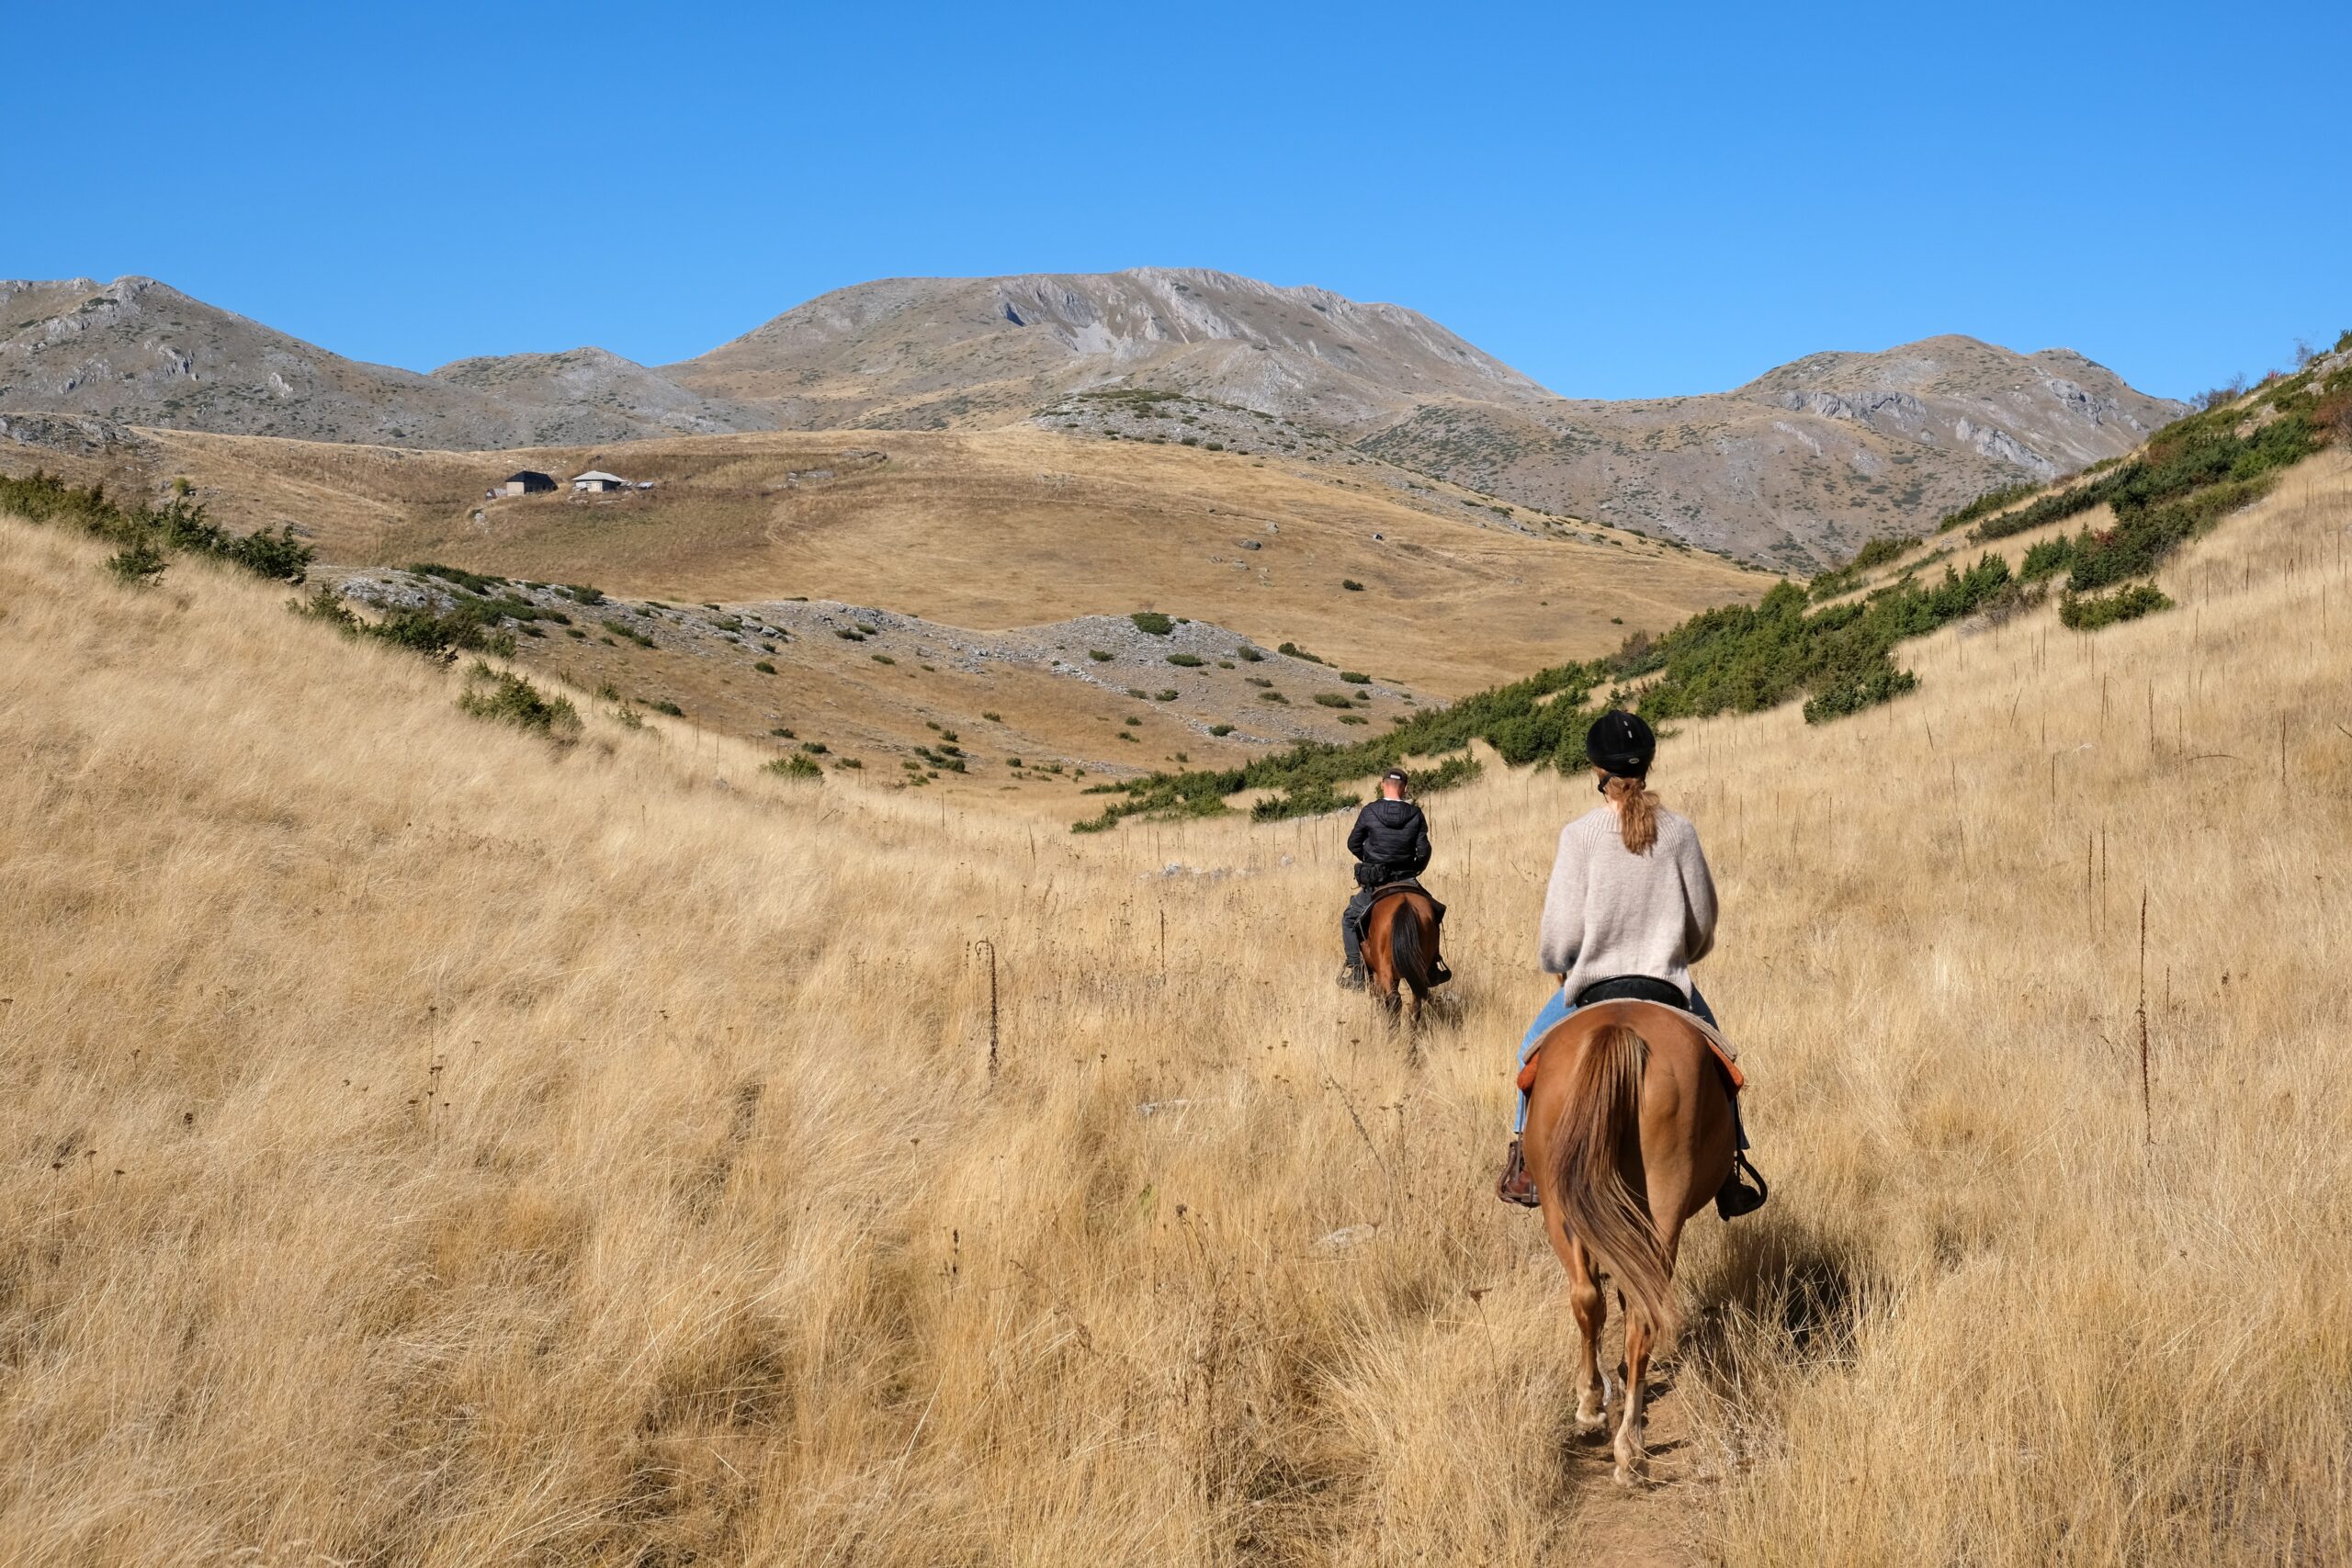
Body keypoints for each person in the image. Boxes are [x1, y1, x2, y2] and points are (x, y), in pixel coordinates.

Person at [1496, 710, 1765, 1215]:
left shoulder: (1579, 834)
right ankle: (1730, 1170)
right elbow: (1702, 923)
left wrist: (1562, 963)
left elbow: (1557, 938)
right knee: (1724, 1068)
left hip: (1593, 986)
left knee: (1528, 1055)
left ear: (1596, 770)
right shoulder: (1679, 831)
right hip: (1666, 985)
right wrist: (1678, 953)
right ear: (1648, 763)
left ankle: (1524, 1164)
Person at [1338, 768, 1431, 989]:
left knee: (1349, 920)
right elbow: (1424, 851)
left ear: (1382, 785)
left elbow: (1353, 843)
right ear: (1405, 788)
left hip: (1377, 882)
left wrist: (1370, 861)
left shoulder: (1370, 811)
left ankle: (1357, 971)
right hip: (1407, 879)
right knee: (1433, 912)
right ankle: (1433, 966)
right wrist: (1415, 869)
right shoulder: (1415, 814)